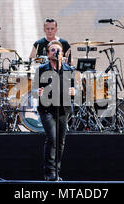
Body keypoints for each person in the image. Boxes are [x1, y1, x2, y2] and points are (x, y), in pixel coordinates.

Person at [34, 40, 76, 181]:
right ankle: (49, 172)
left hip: (63, 109)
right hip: (47, 109)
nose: (55, 52)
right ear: (47, 53)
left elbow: (75, 90)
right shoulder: (41, 69)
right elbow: (33, 90)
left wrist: (74, 91)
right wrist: (37, 91)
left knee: (61, 141)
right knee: (52, 138)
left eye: (57, 50)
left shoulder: (69, 70)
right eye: (52, 50)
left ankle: (56, 172)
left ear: (62, 53)